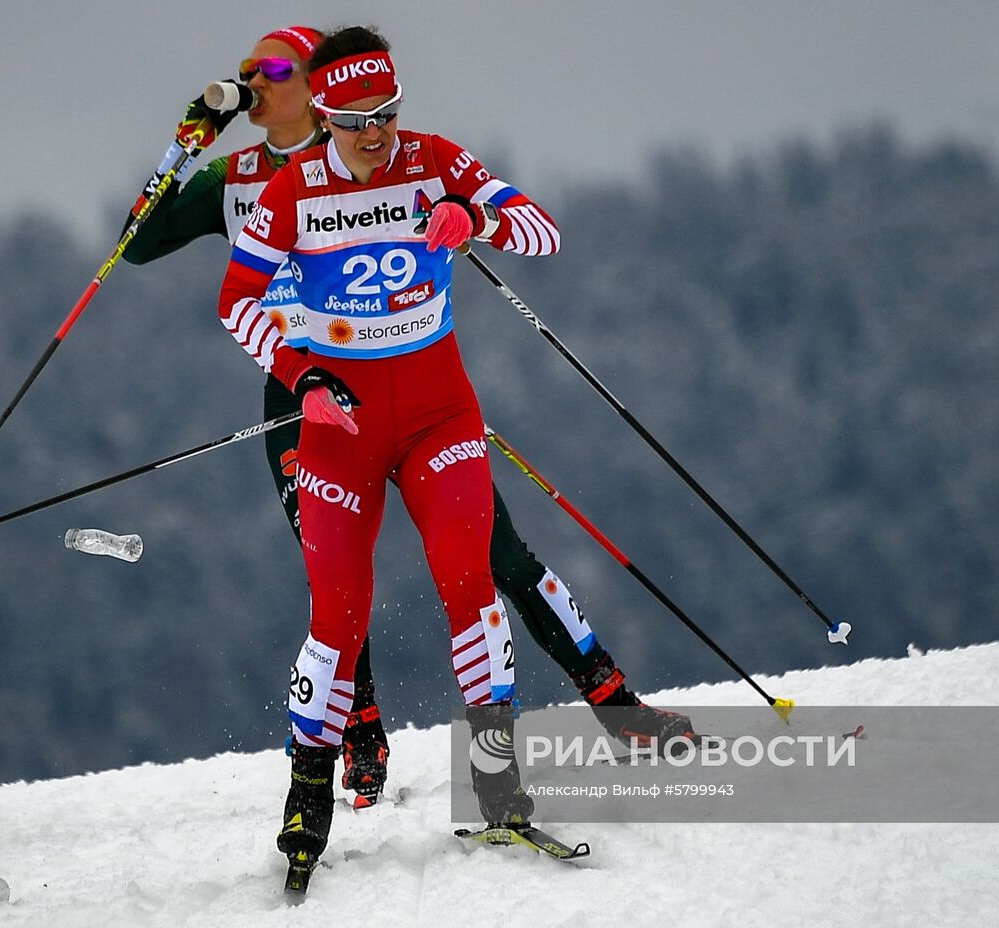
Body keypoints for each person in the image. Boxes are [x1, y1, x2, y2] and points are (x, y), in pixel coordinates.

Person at [123, 25, 696, 811]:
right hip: (305, 395)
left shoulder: (413, 157)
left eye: (277, 67)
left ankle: (613, 706)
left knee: (493, 558)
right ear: (324, 110)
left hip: (417, 389)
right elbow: (137, 242)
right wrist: (180, 148)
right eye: (249, 71)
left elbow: (529, 223)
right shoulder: (240, 177)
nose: (258, 81)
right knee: (337, 588)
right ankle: (360, 738)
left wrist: (471, 215)